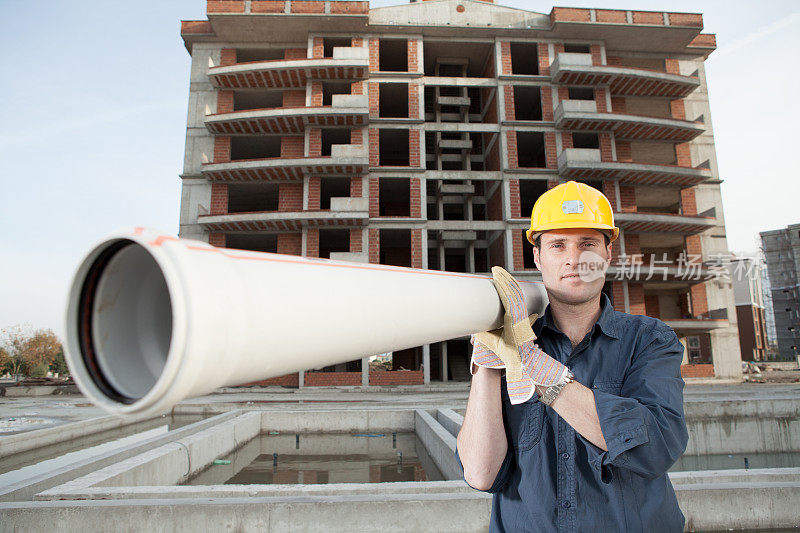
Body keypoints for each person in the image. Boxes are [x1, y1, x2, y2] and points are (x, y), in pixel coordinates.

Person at [455, 181, 689, 532]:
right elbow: (480, 474)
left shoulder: (649, 340)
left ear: (607, 254)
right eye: (558, 244)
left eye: (588, 244)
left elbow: (657, 446)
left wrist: (538, 369)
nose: (574, 259)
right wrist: (488, 367)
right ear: (537, 256)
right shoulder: (508, 341)